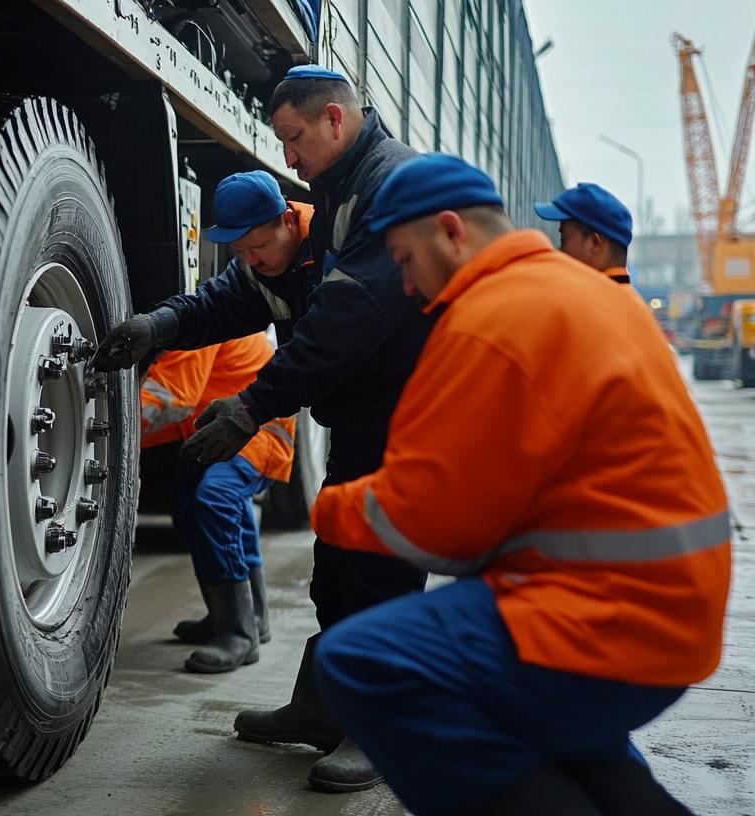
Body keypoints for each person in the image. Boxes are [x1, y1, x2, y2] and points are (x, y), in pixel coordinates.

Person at [308, 154, 730, 815]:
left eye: (406, 260)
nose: (408, 286)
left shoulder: (491, 318)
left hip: (612, 615)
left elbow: (430, 519)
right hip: (678, 609)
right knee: (559, 737)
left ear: (451, 233)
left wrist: (329, 510)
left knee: (361, 661)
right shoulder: (584, 292)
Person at [92, 65, 431, 792]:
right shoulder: (333, 197)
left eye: (293, 136)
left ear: (335, 118)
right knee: (338, 567)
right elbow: (228, 299)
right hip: (369, 419)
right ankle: (324, 706)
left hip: (415, 417)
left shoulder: (392, 187)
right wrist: (158, 325)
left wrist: (251, 406)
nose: (288, 155)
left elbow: (343, 322)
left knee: (381, 571)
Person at [140, 336, 296, 673]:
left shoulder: (196, 329)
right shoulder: (194, 327)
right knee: (192, 506)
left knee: (216, 499)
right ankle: (248, 616)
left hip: (255, 429)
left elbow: (172, 397)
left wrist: (111, 430)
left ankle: (238, 633)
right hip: (226, 428)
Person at [536, 182, 635, 284]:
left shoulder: (573, 293)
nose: (559, 251)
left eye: (563, 239)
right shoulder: (627, 294)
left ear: (594, 243)